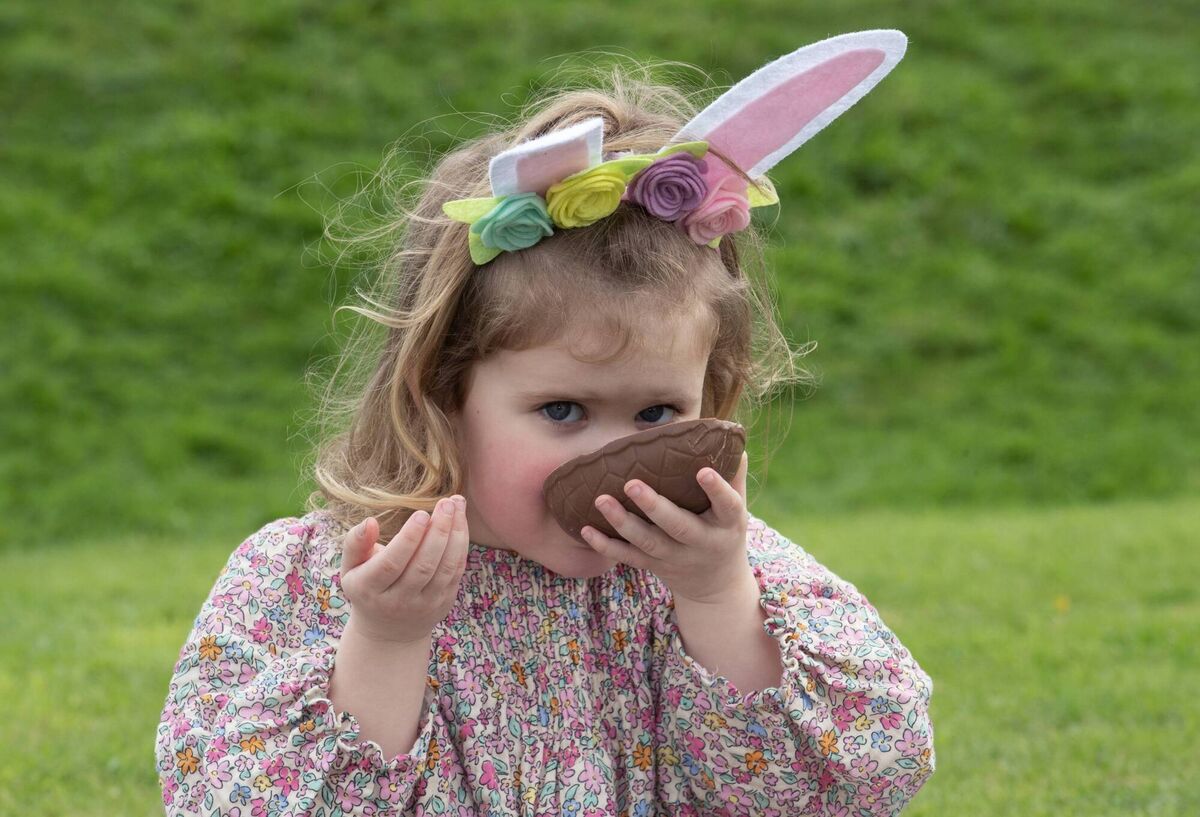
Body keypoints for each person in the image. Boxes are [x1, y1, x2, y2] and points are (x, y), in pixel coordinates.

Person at [156, 30, 934, 817]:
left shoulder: (725, 570)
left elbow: (855, 779)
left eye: (658, 412)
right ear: (442, 391)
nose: (615, 456)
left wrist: (716, 596)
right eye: (563, 411)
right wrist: (387, 640)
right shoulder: (312, 579)